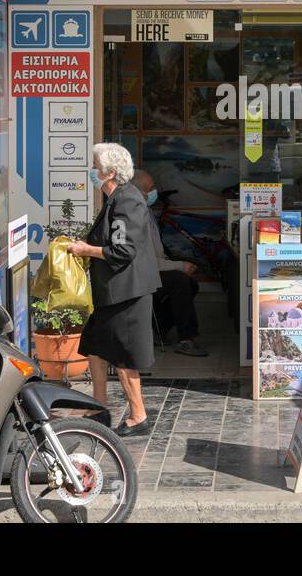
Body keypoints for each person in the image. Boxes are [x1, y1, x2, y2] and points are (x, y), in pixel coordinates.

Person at [69, 143, 161, 437]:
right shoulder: (114, 199)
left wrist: (87, 249)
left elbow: (123, 250)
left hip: (126, 293)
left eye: (95, 166)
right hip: (111, 292)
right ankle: (98, 405)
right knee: (94, 345)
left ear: (110, 172)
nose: (92, 171)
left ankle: (138, 416)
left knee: (124, 357)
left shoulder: (127, 201)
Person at [131, 169, 208, 357]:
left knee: (189, 284)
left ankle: (157, 329)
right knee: (179, 281)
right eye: (151, 188)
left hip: (151, 270)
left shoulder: (146, 211)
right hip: (138, 275)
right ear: (139, 192)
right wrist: (180, 266)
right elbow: (146, 261)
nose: (155, 192)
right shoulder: (134, 216)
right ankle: (186, 339)